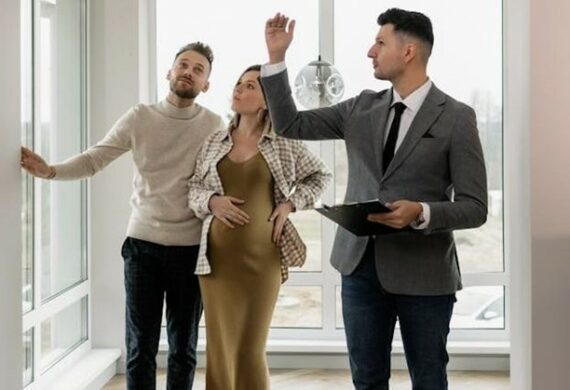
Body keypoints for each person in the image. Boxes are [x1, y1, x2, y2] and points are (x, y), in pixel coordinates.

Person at [262, 9, 488, 390]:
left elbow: (476, 206)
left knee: (429, 378)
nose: (370, 51)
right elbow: (290, 124)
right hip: (359, 269)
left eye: (380, 43)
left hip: (425, 274)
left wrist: (422, 212)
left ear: (409, 52)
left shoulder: (456, 118)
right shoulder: (359, 108)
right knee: (366, 379)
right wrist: (276, 59)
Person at [20, 42, 225, 390]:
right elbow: (93, 159)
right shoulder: (140, 117)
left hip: (191, 251)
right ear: (169, 72)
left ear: (206, 84)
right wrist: (50, 171)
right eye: (183, 64)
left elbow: (225, 178)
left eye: (198, 69)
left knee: (183, 348)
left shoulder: (213, 125)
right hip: (142, 248)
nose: (189, 71)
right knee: (140, 346)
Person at [188, 64, 331, 390]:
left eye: (250, 86)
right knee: (221, 348)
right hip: (215, 264)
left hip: (262, 261)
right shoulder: (213, 141)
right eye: (238, 83)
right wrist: (212, 201)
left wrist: (290, 204)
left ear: (267, 99)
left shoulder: (283, 142)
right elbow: (193, 189)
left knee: (250, 347)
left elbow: (320, 176)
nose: (240, 89)